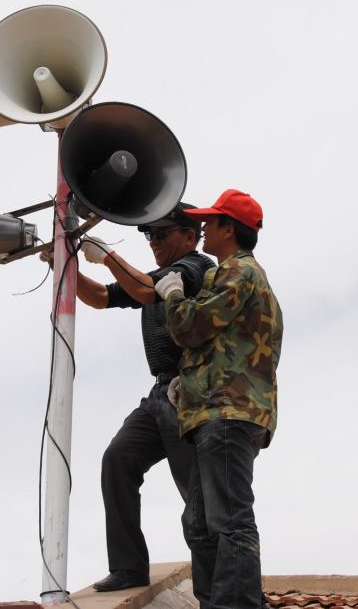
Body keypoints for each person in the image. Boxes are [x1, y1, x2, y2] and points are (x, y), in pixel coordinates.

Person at [71, 204, 214, 592]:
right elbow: (101, 297)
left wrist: (107, 256)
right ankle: (128, 568)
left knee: (198, 498)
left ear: (190, 236)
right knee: (118, 460)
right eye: (149, 236)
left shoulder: (197, 268)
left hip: (190, 394)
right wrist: (64, 268)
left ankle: (215, 591)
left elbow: (150, 291)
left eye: (160, 235)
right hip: (159, 392)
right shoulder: (150, 278)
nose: (153, 242)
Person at [153, 189, 282, 609]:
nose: (204, 228)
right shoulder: (237, 275)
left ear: (230, 229)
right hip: (219, 411)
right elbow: (214, 343)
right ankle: (216, 601)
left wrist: (173, 294)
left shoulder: (239, 273)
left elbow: (189, 327)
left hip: (226, 413)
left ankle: (237, 604)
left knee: (229, 520)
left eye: (212, 222)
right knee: (201, 523)